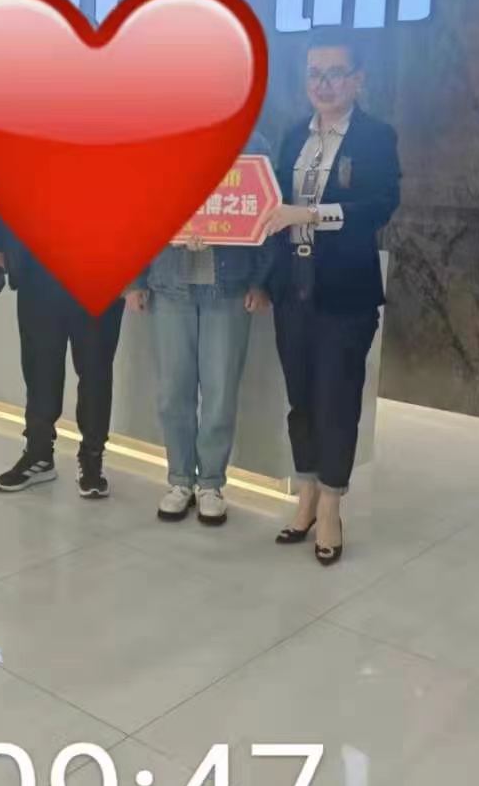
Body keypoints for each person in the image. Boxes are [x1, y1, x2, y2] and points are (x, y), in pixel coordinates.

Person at [263, 45, 400, 565]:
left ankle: (331, 508)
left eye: (335, 74)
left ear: (358, 79)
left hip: (345, 291)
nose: (323, 84)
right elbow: (273, 206)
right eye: (314, 74)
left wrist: (312, 214)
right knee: (300, 397)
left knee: (337, 400)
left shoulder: (375, 136)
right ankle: (305, 495)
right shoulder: (293, 135)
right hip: (292, 285)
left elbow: (380, 206)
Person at [125, 134, 273, 526]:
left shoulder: (252, 145)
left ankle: (210, 483)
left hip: (229, 286)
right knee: (173, 390)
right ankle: (179, 480)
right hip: (169, 284)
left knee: (220, 391)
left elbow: (267, 215)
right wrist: (134, 280)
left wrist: (260, 281)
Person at [0, 207, 124, 497]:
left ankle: (92, 457)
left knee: (95, 368)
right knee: (40, 367)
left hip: (98, 266)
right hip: (38, 268)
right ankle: (39, 452)